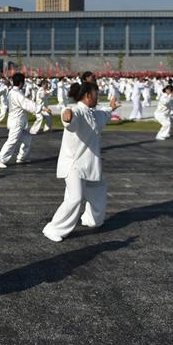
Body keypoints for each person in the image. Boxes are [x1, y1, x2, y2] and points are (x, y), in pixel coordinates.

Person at [42, 82, 119, 242]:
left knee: (99, 191)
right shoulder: (77, 111)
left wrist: (111, 108)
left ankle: (92, 219)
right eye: (96, 94)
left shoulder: (93, 114)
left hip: (91, 164)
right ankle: (52, 228)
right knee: (75, 198)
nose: (98, 97)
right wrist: (66, 117)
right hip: (74, 165)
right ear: (88, 95)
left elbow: (104, 114)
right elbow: (69, 120)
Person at [0, 72, 49, 169]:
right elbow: (27, 104)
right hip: (16, 122)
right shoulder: (16, 94)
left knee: (27, 138)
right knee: (12, 141)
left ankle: (21, 158)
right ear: (21, 83)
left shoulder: (13, 92)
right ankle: (0, 160)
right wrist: (42, 108)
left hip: (18, 121)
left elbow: (26, 102)